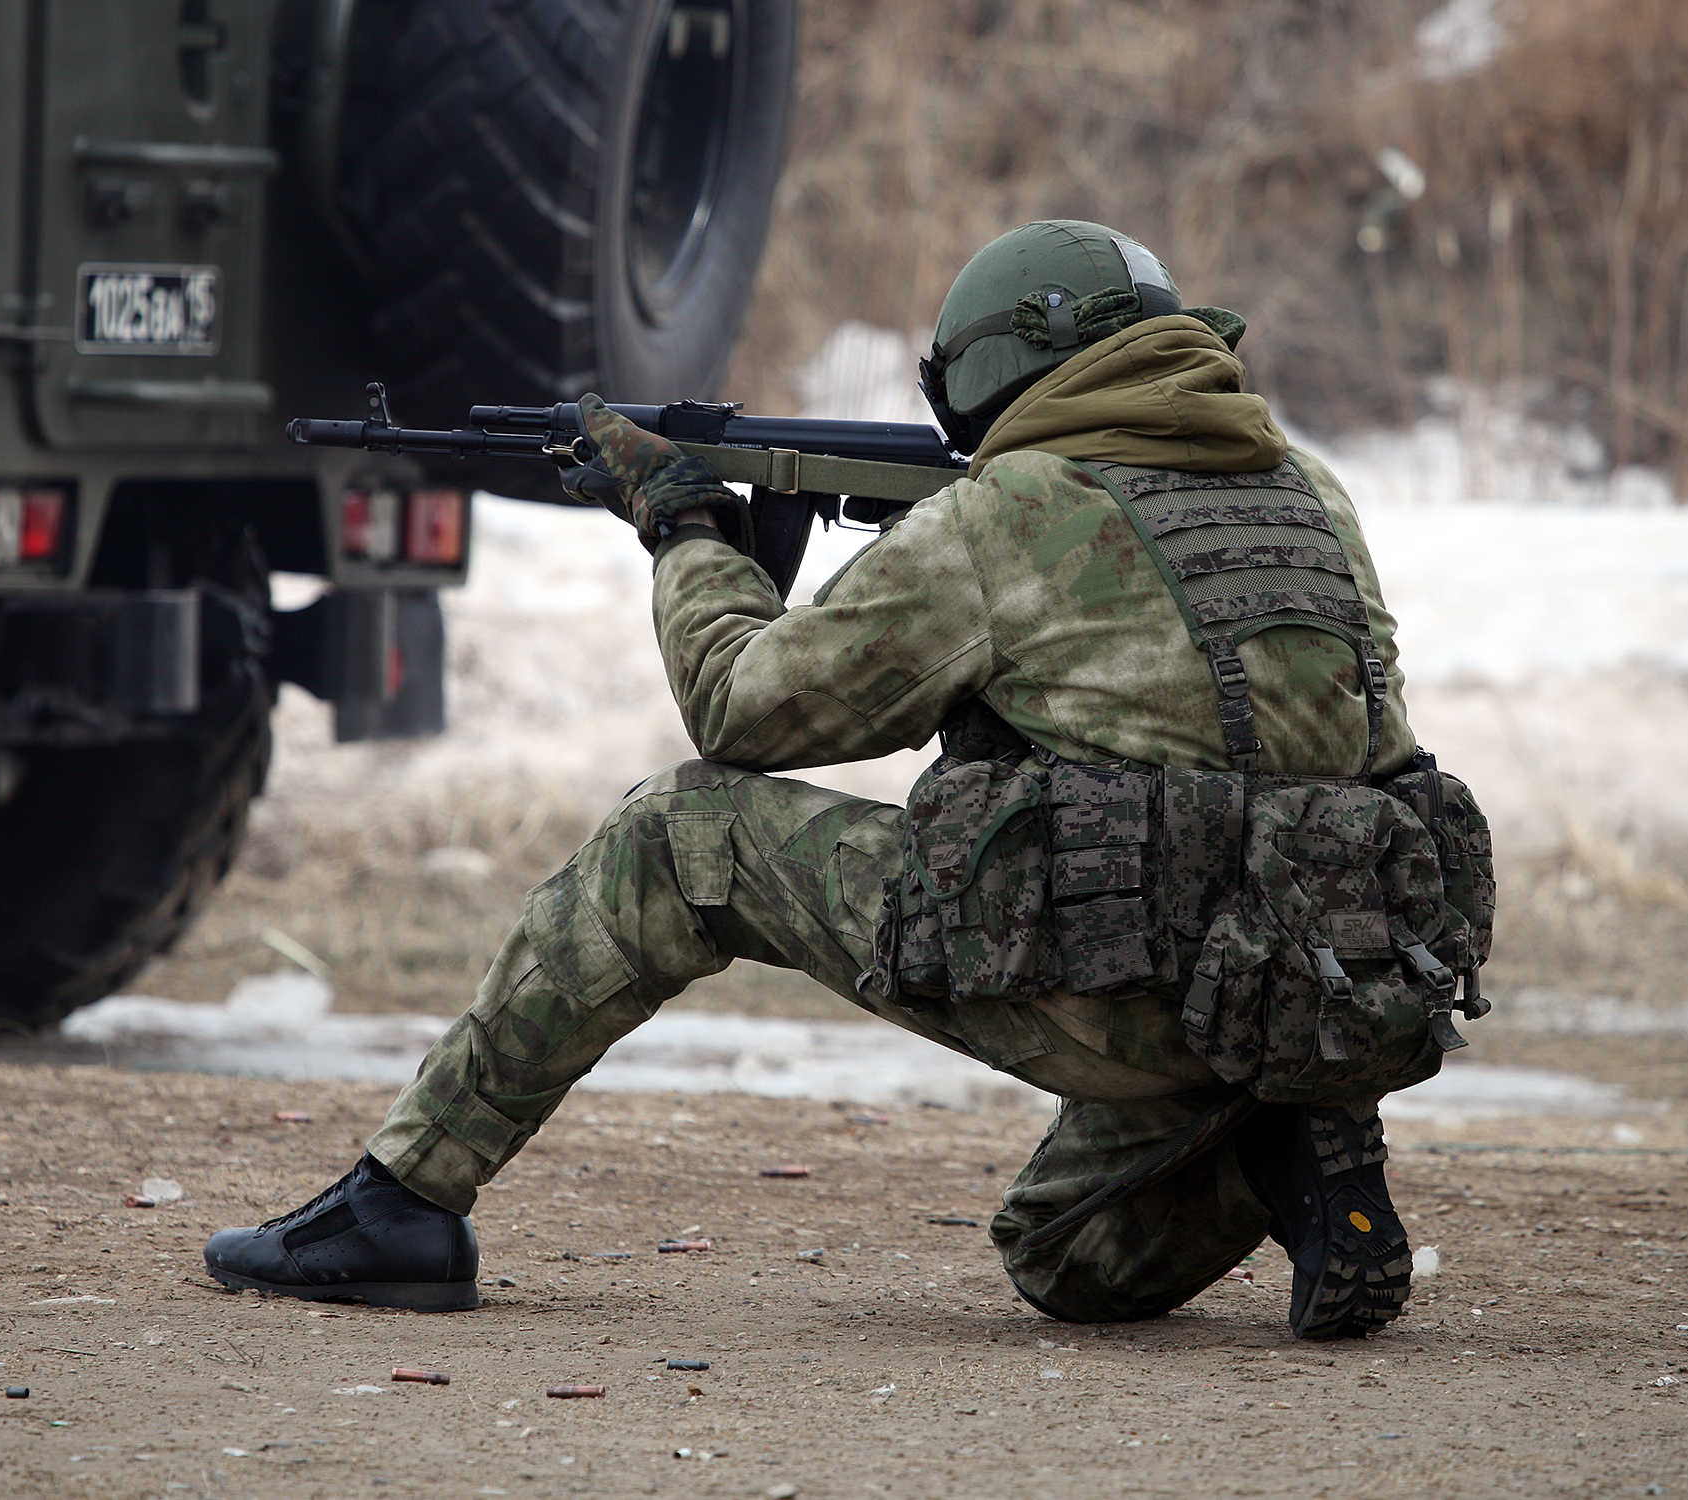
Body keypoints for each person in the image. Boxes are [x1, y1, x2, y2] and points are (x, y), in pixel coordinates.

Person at [205, 220, 1480, 1339]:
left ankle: (401, 1204)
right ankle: (1281, 1134)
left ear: (989, 373)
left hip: (1118, 992)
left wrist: (693, 536)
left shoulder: (1009, 514)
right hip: (1316, 997)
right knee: (1066, 1259)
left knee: (679, 836)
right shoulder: (1310, 493)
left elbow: (746, 712)